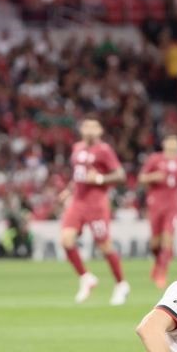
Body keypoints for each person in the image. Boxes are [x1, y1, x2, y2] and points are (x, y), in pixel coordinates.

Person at [60, 117, 130, 305]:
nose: (90, 129)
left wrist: (99, 179)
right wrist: (68, 191)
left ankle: (121, 284)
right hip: (77, 201)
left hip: (96, 203)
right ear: (81, 129)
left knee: (104, 246)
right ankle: (86, 277)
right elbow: (78, 176)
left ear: (100, 130)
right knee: (66, 239)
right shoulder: (77, 148)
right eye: (86, 125)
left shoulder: (104, 150)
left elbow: (120, 174)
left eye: (94, 126)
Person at [138, 134, 177, 289]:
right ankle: (157, 263)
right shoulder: (155, 159)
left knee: (168, 238)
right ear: (164, 143)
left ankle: (162, 273)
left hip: (173, 203)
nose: (173, 144)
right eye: (170, 141)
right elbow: (141, 177)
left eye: (176, 141)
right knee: (155, 242)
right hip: (156, 202)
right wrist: (154, 176)